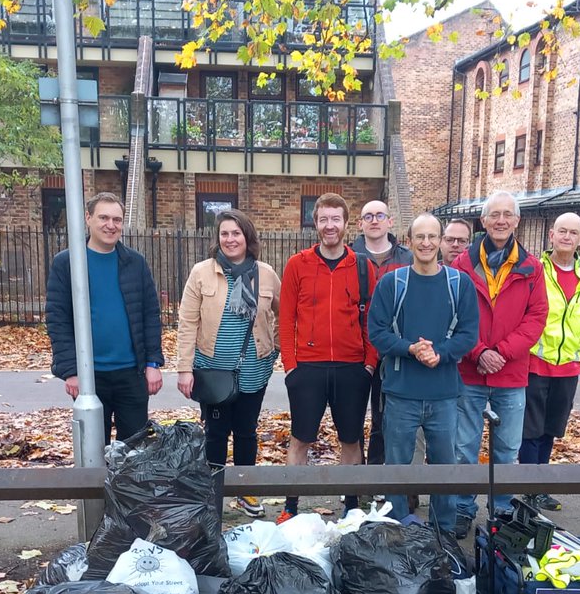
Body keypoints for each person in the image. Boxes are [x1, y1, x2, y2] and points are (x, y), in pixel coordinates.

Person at [367, 213, 479, 531]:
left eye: (433, 237)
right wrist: (410, 349)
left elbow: (468, 334)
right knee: (398, 467)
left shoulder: (460, 285)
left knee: (444, 466)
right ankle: (399, 529)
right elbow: (377, 332)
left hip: (443, 393)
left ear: (442, 241)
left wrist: (440, 353)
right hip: (401, 391)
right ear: (409, 240)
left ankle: (443, 531)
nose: (426, 243)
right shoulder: (392, 284)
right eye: (420, 237)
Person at [450, 191, 548, 539]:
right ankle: (462, 508)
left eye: (508, 214)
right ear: (484, 220)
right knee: (464, 448)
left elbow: (536, 318)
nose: (501, 220)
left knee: (507, 449)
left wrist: (502, 353)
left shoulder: (532, 267)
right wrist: (477, 352)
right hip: (469, 370)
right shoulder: (462, 264)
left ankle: (502, 509)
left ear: (517, 221)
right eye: (495, 214)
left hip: (511, 372)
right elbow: (455, 314)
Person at [278, 193, 378, 522]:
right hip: (307, 368)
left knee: (351, 439)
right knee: (300, 438)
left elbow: (371, 320)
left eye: (336, 219)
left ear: (346, 224)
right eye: (324, 219)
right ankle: (291, 507)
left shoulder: (363, 266)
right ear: (315, 222)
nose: (329, 225)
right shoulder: (298, 265)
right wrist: (291, 367)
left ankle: (351, 505)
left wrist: (369, 363)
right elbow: (286, 318)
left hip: (352, 368)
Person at [176, 209, 281, 519]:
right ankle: (212, 495)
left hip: (254, 369)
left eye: (236, 233)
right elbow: (187, 322)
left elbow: (285, 314)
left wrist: (275, 347)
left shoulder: (265, 273)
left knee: (247, 431)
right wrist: (184, 368)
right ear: (217, 238)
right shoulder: (201, 272)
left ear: (247, 238)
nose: (230, 239)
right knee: (216, 432)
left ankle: (246, 491)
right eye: (225, 233)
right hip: (213, 370)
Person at [46, 192, 164, 443]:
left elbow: (150, 315)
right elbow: (58, 321)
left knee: (133, 450)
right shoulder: (67, 263)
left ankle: (125, 485)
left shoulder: (135, 263)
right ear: (88, 218)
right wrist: (71, 371)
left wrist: (153, 363)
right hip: (89, 376)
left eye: (117, 220)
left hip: (131, 374)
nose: (111, 225)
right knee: (92, 449)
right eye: (104, 218)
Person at [518, 212, 580, 512]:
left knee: (551, 429)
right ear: (551, 235)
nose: (567, 237)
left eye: (574, 233)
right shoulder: (534, 269)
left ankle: (538, 487)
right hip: (533, 362)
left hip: (568, 367)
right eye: (562, 231)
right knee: (530, 429)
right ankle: (527, 489)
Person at [351, 199, 412, 471]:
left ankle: (376, 473)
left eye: (379, 215)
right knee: (350, 417)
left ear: (390, 221)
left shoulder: (407, 258)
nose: (374, 220)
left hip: (392, 349)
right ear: (360, 223)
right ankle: (353, 475)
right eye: (368, 216)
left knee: (383, 417)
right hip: (353, 348)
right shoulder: (348, 256)